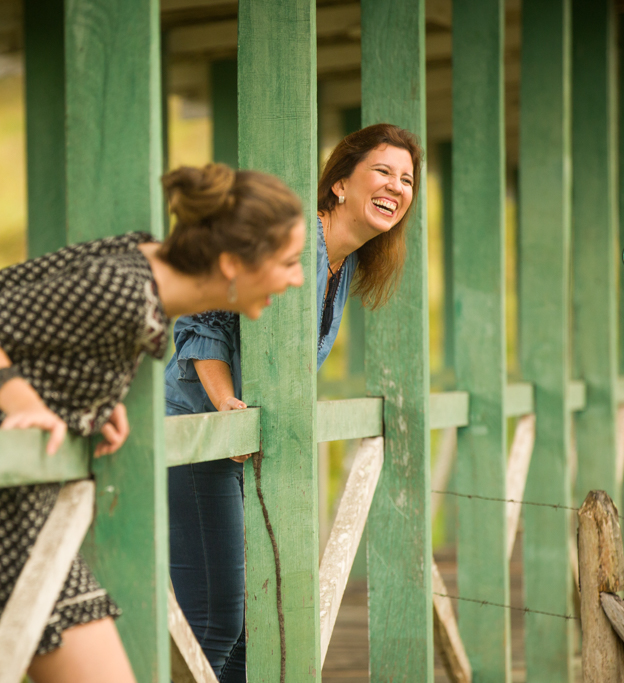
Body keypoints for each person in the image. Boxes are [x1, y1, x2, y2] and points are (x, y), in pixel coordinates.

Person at [0, 163, 306, 683]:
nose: (299, 278)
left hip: (26, 516)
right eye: (289, 262)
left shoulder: (141, 261)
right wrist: (24, 403)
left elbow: (7, 285)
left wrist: (92, 397)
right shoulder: (124, 290)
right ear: (233, 263)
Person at [165, 123, 423, 682]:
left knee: (251, 629)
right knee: (214, 622)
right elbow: (202, 310)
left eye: (406, 179)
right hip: (197, 433)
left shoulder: (345, 261)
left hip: (248, 446)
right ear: (340, 185)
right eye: (382, 171)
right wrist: (223, 401)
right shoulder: (294, 237)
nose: (397, 187)